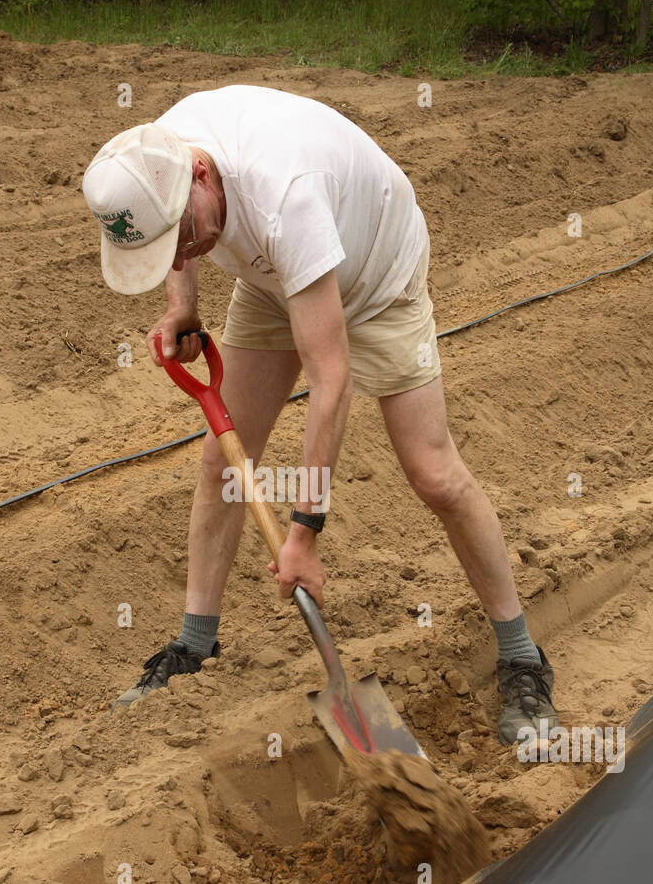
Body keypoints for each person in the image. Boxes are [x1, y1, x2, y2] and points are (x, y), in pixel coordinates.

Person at [82, 86, 558, 745]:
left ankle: (522, 657)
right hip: (276, 277)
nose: (183, 250)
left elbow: (331, 382)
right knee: (224, 458)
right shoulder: (151, 161)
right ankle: (195, 646)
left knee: (432, 471)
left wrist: (303, 534)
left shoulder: (285, 191)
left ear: (200, 172)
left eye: (184, 235)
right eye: (168, 245)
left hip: (376, 275)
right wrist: (181, 307)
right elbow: (176, 243)